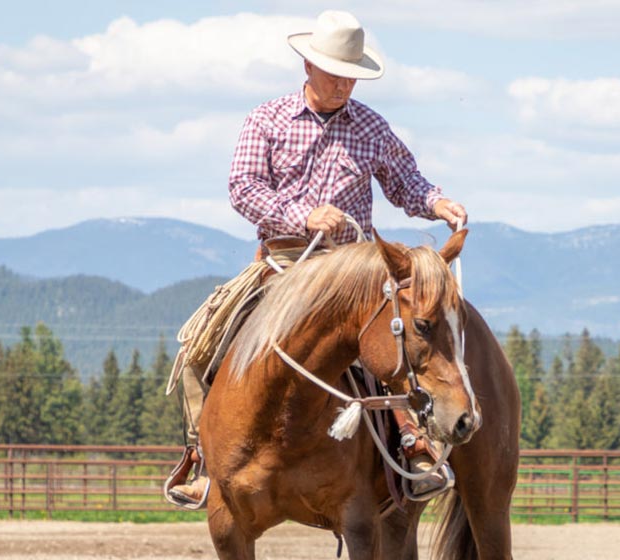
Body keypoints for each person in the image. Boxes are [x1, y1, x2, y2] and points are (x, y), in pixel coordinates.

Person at [165, 9, 467, 508]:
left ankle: (413, 443)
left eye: (351, 76)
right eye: (334, 74)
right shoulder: (267, 120)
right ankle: (203, 456)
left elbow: (405, 181)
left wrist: (436, 202)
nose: (344, 84)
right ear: (308, 68)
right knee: (204, 341)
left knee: (394, 342)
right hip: (284, 262)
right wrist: (302, 215)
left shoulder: (371, 127)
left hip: (354, 271)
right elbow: (243, 189)